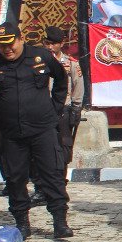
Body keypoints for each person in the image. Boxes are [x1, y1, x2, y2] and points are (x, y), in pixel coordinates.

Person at [0, 22, 73, 241]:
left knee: (52, 174)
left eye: (10, 44)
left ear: (20, 39)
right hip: (11, 133)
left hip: (42, 129)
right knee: (15, 178)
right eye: (1, 46)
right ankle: (22, 222)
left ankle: (59, 221)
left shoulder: (40, 56)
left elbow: (61, 79)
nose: (7, 49)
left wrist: (55, 110)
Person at [43, 26, 84, 173]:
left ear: (61, 43)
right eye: (47, 43)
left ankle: (61, 176)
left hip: (62, 109)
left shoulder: (70, 63)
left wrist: (76, 107)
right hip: (43, 108)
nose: (50, 47)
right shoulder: (38, 61)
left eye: (53, 43)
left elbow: (78, 85)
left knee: (64, 145)